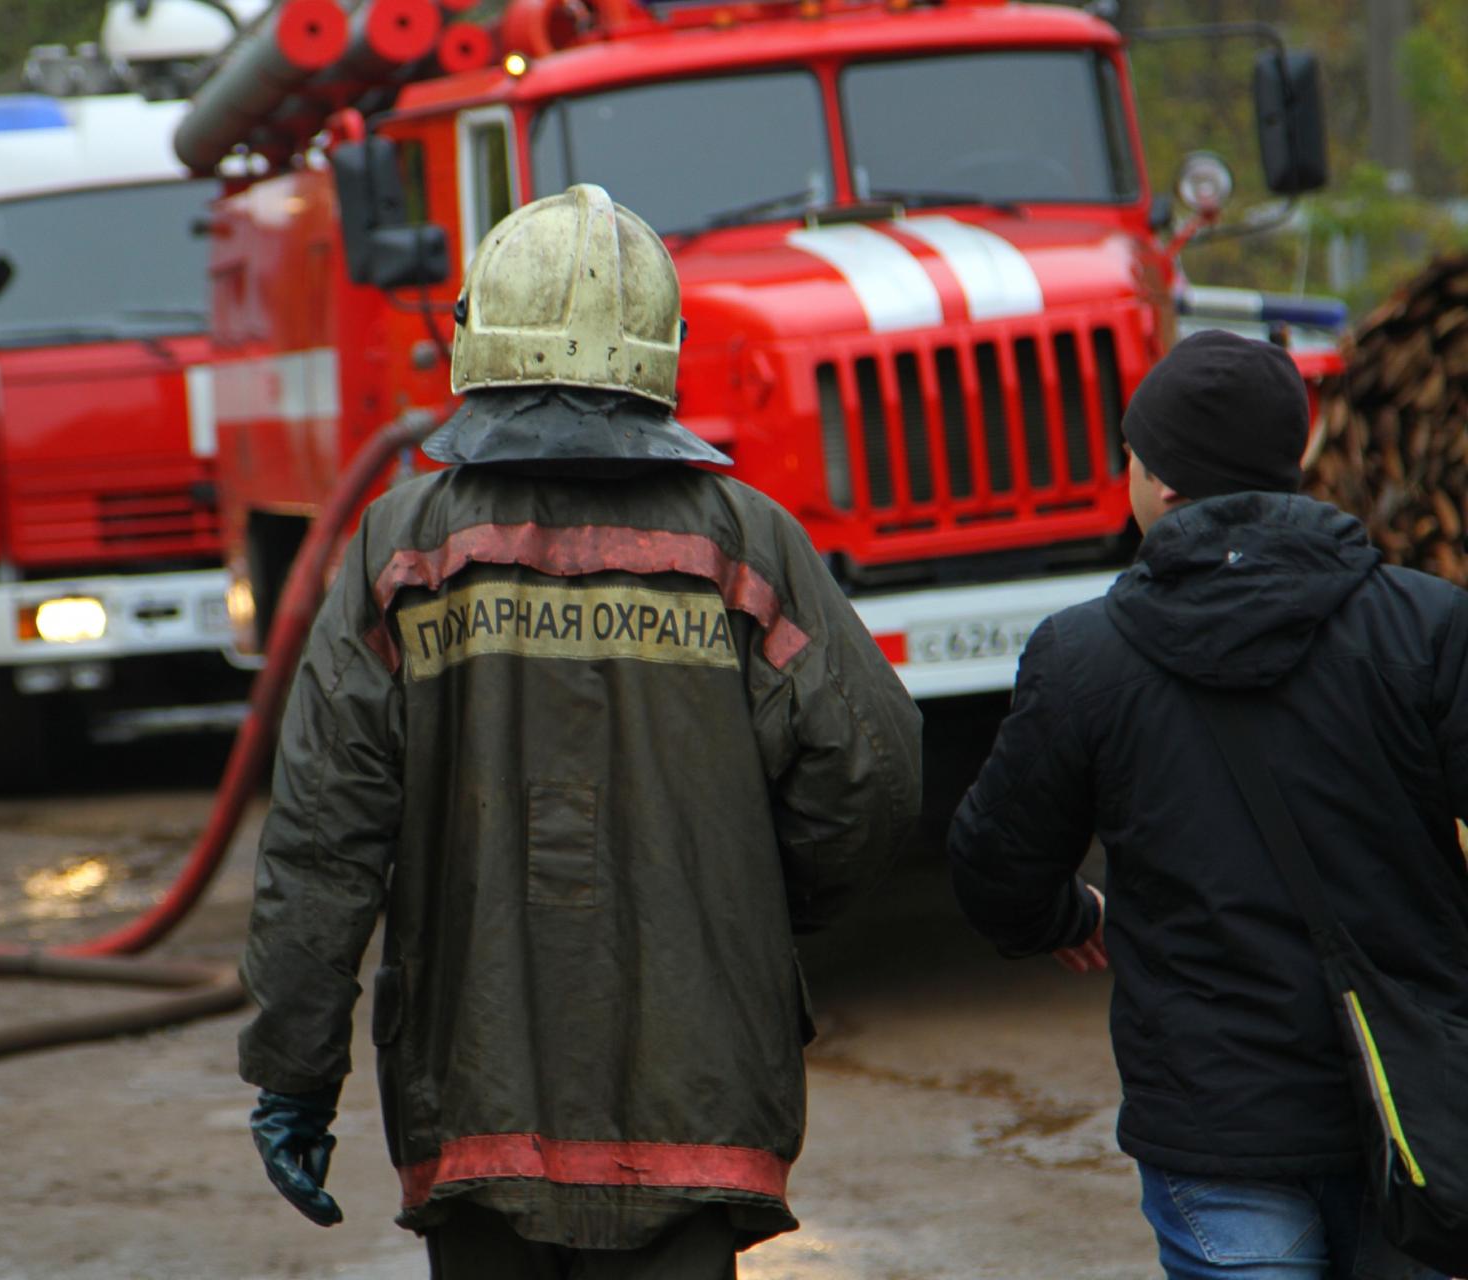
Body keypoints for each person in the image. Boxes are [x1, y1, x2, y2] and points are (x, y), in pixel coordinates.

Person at [237, 184, 922, 1278]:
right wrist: (753, 905)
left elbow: (324, 831)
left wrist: (293, 1065)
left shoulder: (399, 550)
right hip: (694, 1090)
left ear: (475, 334)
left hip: (474, 1093)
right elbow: (873, 770)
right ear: (662, 348)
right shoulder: (748, 544)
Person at [948, 329, 1465, 1280]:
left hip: (1216, 1126)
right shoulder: (1425, 627)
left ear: (1165, 483)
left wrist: (1074, 916)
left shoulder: (1084, 657)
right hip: (1414, 1110)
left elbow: (995, 873)